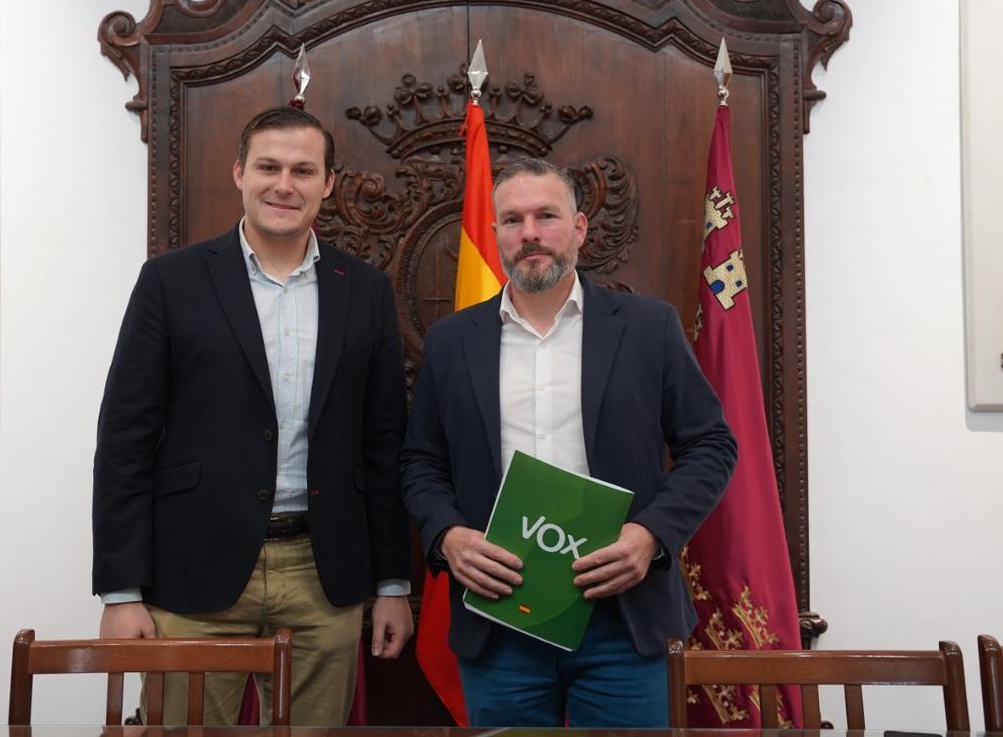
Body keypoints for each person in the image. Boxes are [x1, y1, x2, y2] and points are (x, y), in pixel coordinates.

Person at [92, 106, 414, 726]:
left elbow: (383, 443)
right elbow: (125, 438)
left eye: (302, 170)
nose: (283, 185)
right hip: (193, 569)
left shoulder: (365, 289)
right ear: (240, 172)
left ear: (328, 184)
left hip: (325, 572)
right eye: (268, 166)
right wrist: (122, 590)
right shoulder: (170, 281)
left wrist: (394, 583)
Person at [400, 157, 737, 727]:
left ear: (579, 228)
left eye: (546, 216)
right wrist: (447, 536)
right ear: (496, 235)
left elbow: (711, 445)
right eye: (512, 220)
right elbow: (420, 463)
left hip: (623, 622)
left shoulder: (649, 327)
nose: (529, 233)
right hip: (500, 618)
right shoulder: (453, 341)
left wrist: (651, 535)